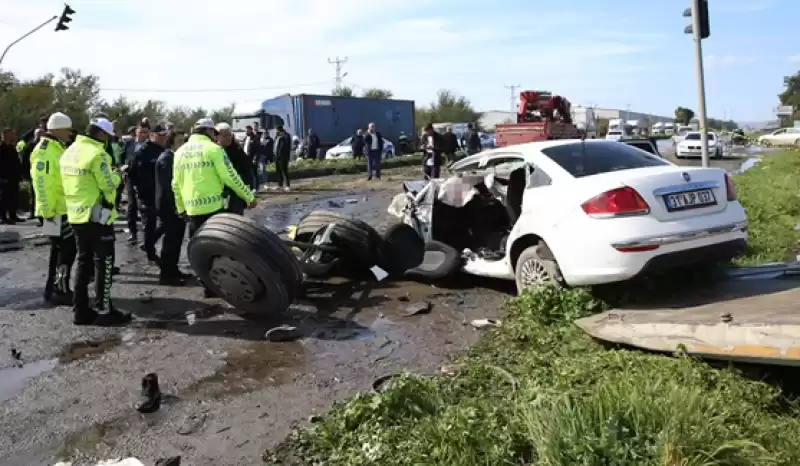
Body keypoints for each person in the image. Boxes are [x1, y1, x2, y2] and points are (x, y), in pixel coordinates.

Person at [172, 118, 256, 298]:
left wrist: (180, 207)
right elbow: (230, 177)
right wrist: (248, 196)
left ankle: (207, 287)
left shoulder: (179, 152)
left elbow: (176, 184)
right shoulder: (214, 149)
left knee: (198, 249)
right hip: (213, 209)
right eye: (214, 133)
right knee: (218, 249)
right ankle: (219, 284)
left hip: (192, 210)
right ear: (209, 132)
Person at [60, 118, 128, 326]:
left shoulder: (69, 151)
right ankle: (105, 310)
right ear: (100, 135)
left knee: (83, 262)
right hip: (96, 215)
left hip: (75, 214)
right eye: (107, 136)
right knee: (104, 262)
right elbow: (108, 184)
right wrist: (119, 176)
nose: (108, 140)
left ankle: (80, 311)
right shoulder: (97, 154)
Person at [30, 112, 77, 305]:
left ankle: (54, 288)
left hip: (58, 209)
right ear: (58, 129)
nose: (69, 134)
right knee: (67, 249)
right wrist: (49, 212)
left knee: (59, 250)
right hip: (53, 212)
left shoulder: (56, 148)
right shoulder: (45, 151)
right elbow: (42, 183)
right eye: (67, 130)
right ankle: (60, 289)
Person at [129, 123, 168, 263]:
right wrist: (139, 189)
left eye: (165, 135)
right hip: (147, 195)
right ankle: (150, 253)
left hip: (161, 193)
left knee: (167, 222)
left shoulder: (164, 150)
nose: (163, 138)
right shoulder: (143, 152)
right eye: (160, 135)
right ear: (152, 135)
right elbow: (132, 172)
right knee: (149, 225)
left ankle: (148, 244)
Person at [155, 131, 189, 286]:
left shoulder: (174, 157)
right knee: (170, 241)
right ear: (171, 143)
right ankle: (166, 275)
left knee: (177, 240)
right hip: (169, 205)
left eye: (184, 141)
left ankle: (173, 270)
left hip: (175, 204)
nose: (183, 144)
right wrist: (177, 206)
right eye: (180, 141)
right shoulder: (167, 159)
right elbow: (169, 187)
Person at [215, 122, 255, 214]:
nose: (228, 138)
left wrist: (248, 195)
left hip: (236, 196)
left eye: (229, 135)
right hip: (219, 196)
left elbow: (247, 172)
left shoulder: (237, 150)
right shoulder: (214, 152)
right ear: (217, 136)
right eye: (225, 136)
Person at [123, 123, 150, 244]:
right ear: (136, 132)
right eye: (141, 132)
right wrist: (122, 167)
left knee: (144, 206)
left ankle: (147, 234)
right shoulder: (129, 144)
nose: (144, 134)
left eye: (146, 132)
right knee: (131, 205)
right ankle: (132, 233)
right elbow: (121, 157)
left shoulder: (150, 146)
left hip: (144, 178)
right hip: (130, 177)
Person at [20, 128, 45, 223]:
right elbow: (24, 161)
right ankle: (33, 212)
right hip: (32, 173)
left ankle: (41, 215)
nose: (41, 136)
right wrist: (25, 174)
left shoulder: (44, 146)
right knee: (34, 194)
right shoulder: (29, 146)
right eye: (39, 134)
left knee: (41, 194)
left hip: (43, 174)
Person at [0, 128, 23, 224]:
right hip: (5, 178)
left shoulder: (12, 147)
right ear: (6, 136)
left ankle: (13, 216)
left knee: (13, 197)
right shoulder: (1, 148)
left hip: (13, 177)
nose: (14, 136)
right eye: (12, 134)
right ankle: (3, 217)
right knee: (4, 198)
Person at [273, 125, 292, 192]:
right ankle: (280, 185)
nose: (276, 132)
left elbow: (287, 145)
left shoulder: (286, 135)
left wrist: (282, 136)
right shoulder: (277, 136)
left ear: (280, 130)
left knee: (284, 171)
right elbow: (275, 144)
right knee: (278, 171)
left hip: (283, 157)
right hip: (277, 156)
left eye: (277, 130)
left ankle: (287, 185)